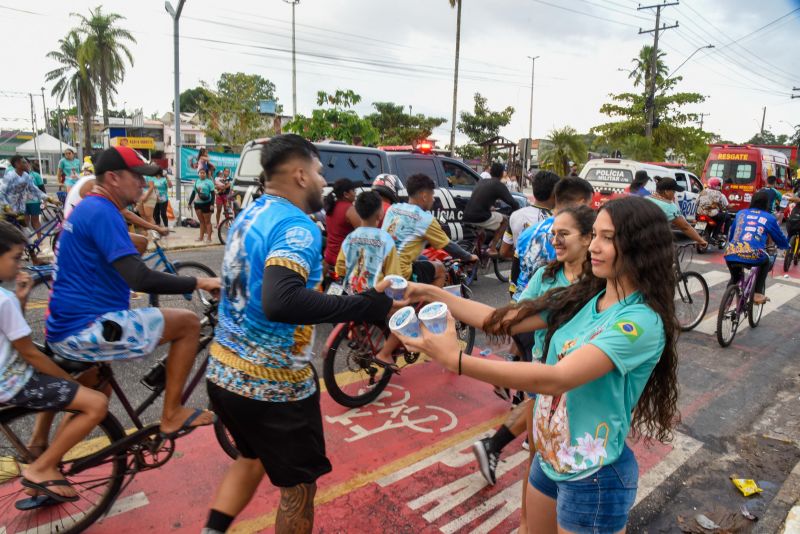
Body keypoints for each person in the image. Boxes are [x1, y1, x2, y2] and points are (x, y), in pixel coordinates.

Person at [395, 195, 680, 533]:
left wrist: (456, 360)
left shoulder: (640, 321)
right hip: (549, 457)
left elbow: (557, 378)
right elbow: (499, 319)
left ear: (641, 246)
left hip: (593, 476)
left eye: (608, 238)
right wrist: (428, 293)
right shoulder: (585, 295)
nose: (594, 246)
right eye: (595, 235)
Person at [202, 134, 398, 534]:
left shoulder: (249, 214)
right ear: (299, 174)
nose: (323, 181)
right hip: (273, 387)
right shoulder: (297, 226)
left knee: (251, 458)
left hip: (222, 374)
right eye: (318, 172)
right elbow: (282, 300)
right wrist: (365, 304)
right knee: (298, 489)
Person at [45, 145, 221, 438]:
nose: (142, 182)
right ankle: (172, 413)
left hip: (67, 324)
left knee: (98, 392)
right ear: (113, 178)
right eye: (137, 176)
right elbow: (139, 278)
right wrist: (200, 282)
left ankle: (47, 458)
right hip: (86, 327)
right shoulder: (102, 212)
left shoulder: (90, 207)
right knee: (189, 323)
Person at [473, 205, 595, 488]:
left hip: (578, 376)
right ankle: (497, 448)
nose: (555, 240)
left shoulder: (601, 280)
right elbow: (516, 315)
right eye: (555, 233)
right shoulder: (547, 276)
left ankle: (494, 445)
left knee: (539, 407)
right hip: (545, 359)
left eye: (563, 234)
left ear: (587, 237)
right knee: (540, 427)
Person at [0, 220, 109, 503]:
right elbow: (29, 352)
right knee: (96, 403)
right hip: (13, 382)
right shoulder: (4, 300)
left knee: (74, 379)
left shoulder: (7, 298)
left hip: (8, 375)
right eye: (15, 258)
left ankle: (39, 449)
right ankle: (42, 468)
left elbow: (9, 333)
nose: (20, 264)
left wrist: (21, 299)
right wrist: (69, 381)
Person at [336, 190, 403, 366]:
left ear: (358, 212)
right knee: (405, 313)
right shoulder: (385, 239)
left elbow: (340, 267)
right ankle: (386, 354)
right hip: (374, 298)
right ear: (380, 213)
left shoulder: (350, 238)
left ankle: (356, 335)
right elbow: (395, 276)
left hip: (350, 295)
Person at [381, 173, 476, 287]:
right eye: (432, 194)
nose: (434, 199)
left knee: (423, 258)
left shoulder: (393, 208)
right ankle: (429, 298)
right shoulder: (426, 219)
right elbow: (449, 246)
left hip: (381, 268)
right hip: (399, 274)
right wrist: (469, 257)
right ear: (424, 196)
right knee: (440, 269)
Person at [515, 177, 594, 300]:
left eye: (564, 234)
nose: (554, 241)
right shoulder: (543, 274)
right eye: (589, 205)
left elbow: (516, 270)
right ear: (581, 203)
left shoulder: (527, 233)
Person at [725, 190, 790, 305]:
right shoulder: (769, 218)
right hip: (754, 254)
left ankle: (725, 303)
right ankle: (757, 293)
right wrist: (786, 246)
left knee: (735, 278)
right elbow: (779, 237)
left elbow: (732, 234)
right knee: (766, 261)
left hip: (731, 252)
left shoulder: (740, 213)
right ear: (767, 204)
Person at [501, 170, 559, 296]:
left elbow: (503, 251)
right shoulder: (557, 222)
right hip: (545, 285)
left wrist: (524, 256)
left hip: (517, 281)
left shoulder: (515, 215)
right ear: (555, 193)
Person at [463, 162, 520, 255]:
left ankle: (477, 252)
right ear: (502, 174)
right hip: (479, 216)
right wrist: (516, 209)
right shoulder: (499, 185)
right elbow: (513, 203)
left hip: (466, 215)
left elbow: (480, 199)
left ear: (491, 172)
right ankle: (492, 248)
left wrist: (489, 207)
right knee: (505, 220)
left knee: (483, 234)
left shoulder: (482, 181)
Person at [646, 177, 708, 248]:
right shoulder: (669, 206)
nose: (674, 194)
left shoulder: (646, 199)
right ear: (666, 192)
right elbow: (685, 227)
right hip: (654, 244)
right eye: (674, 191)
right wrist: (701, 240)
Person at [1, 157, 50, 228]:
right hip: (8, 212)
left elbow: (34, 189)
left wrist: (49, 199)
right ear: (17, 164)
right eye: (24, 162)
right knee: (10, 232)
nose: (27, 164)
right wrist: (7, 207)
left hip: (20, 211)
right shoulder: (9, 176)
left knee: (22, 230)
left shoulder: (26, 176)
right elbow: (2, 193)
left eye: (27, 162)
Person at [323, 178, 359, 273]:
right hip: (343, 260)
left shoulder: (331, 207)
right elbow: (363, 234)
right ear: (346, 194)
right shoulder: (350, 209)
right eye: (353, 191)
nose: (355, 194)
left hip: (329, 257)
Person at [190, 168, 215, 243]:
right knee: (201, 222)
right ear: (198, 174)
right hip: (197, 204)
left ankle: (209, 238)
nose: (202, 174)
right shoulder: (196, 181)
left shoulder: (209, 182)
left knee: (207, 222)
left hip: (206, 203)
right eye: (200, 173)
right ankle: (201, 237)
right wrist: (189, 203)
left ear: (206, 174)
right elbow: (193, 193)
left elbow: (213, 194)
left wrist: (212, 204)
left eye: (203, 173)